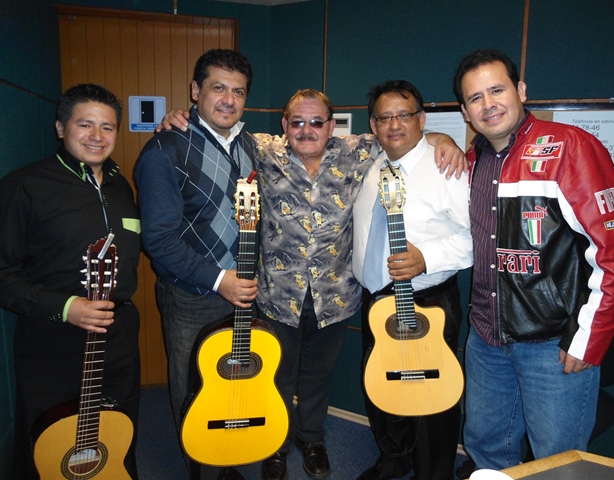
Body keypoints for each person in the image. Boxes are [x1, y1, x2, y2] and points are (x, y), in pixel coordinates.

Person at [162, 86, 464, 480]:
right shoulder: (261, 149)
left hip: (334, 297)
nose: (307, 130)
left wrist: (442, 138)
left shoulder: (358, 151)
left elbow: (403, 133)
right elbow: (217, 128)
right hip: (277, 295)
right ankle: (276, 444)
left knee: (318, 377)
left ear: (331, 126)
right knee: (277, 375)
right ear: (284, 125)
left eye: (317, 122)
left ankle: (312, 439)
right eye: (297, 122)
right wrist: (179, 118)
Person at [453, 49, 614, 471]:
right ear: (464, 112)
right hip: (486, 340)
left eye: (497, 90)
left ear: (520, 90)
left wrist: (588, 339)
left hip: (553, 346)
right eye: (475, 97)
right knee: (486, 448)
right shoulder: (472, 161)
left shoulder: (571, 148)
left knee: (557, 462)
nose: (488, 104)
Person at [0, 83, 141, 479]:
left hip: (118, 334)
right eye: (85, 124)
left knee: (119, 430)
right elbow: (3, 275)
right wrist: (66, 307)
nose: (97, 136)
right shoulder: (25, 186)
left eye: (107, 127)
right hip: (53, 340)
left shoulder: (120, 185)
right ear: (61, 127)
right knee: (49, 442)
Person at [134, 49, 257, 480]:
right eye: (218, 88)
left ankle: (227, 458)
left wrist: (435, 139)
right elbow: (159, 240)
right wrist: (220, 280)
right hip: (192, 296)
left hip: (244, 295)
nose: (228, 99)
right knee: (194, 388)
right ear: (195, 91)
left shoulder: (250, 145)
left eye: (238, 91)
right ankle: (201, 469)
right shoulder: (164, 149)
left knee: (235, 382)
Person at [351, 80, 473, 480]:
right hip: (375, 298)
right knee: (382, 381)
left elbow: (475, 238)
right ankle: (394, 455)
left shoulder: (446, 167)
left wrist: (426, 259)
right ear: (373, 125)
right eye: (384, 117)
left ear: (421, 119)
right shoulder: (371, 163)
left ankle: (433, 473)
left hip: (427, 300)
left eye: (404, 115)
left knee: (430, 393)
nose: (394, 125)